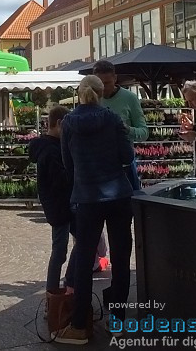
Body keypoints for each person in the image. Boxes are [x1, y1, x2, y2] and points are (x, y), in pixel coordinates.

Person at [57, 76, 135, 345]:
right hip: (118, 195)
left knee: (84, 260)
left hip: (88, 197)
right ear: (102, 93)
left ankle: (79, 326)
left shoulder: (68, 123)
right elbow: (128, 157)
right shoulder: (112, 119)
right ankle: (117, 323)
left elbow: (67, 163)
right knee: (121, 260)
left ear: (79, 94)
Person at [29, 105, 76, 296]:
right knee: (60, 251)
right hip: (61, 206)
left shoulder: (48, 147)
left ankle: (61, 287)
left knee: (74, 245)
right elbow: (59, 181)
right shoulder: (51, 150)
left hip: (60, 205)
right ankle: (54, 292)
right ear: (59, 124)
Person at [93, 59, 147, 190]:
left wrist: (127, 129)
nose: (104, 88)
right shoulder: (92, 99)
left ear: (115, 78)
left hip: (124, 163)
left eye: (107, 83)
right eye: (100, 84)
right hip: (98, 163)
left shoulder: (130, 98)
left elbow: (144, 133)